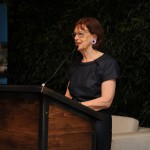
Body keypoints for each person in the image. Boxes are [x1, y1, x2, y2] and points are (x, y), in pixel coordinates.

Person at [65, 17, 119, 150]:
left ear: (93, 37)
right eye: (75, 34)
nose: (76, 38)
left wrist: (77, 107)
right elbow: (67, 97)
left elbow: (106, 101)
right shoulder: (75, 66)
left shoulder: (107, 63)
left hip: (97, 124)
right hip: (74, 123)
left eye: (81, 34)